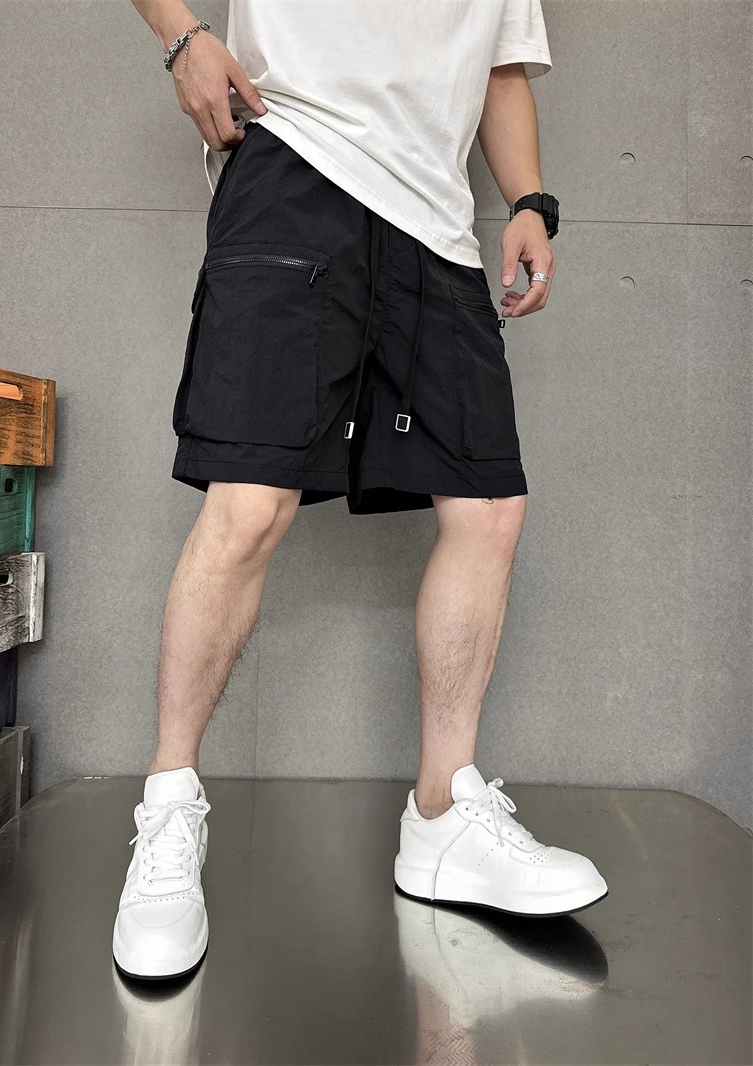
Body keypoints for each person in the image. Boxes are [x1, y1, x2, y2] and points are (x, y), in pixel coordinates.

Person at [113, 0, 608, 981]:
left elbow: (500, 67)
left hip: (434, 221)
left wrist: (528, 200)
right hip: (297, 167)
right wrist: (181, 38)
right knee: (249, 504)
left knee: (487, 506)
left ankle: (441, 816)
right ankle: (167, 814)